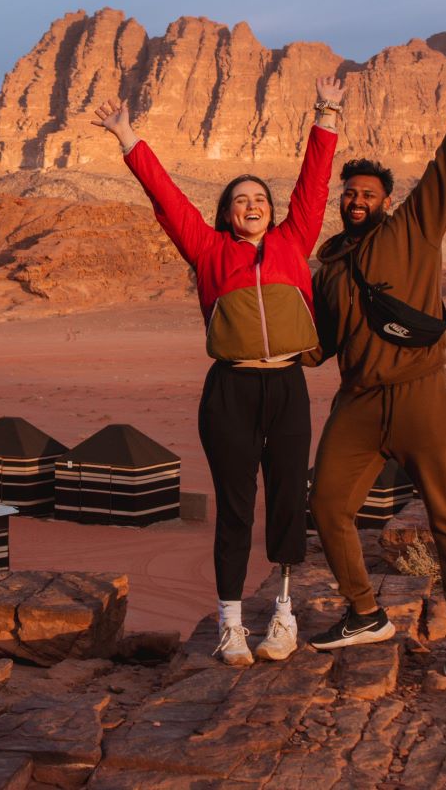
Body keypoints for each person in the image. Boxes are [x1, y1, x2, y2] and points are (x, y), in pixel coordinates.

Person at [92, 75, 342, 666]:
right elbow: (166, 197)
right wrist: (128, 136)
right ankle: (230, 622)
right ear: (226, 214)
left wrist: (326, 113)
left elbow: (315, 184)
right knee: (234, 505)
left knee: (287, 500)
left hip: (286, 385)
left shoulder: (293, 239)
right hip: (229, 388)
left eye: (260, 200)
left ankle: (283, 614)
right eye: (240, 201)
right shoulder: (208, 251)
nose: (252, 207)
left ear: (272, 212)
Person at [303, 34, 446, 681]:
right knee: (328, 506)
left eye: (368, 194)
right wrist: (265, 351)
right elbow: (322, 343)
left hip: (421, 395)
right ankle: (364, 613)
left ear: (385, 201)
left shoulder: (415, 228)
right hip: (360, 403)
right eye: (350, 193)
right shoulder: (329, 264)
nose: (357, 200)